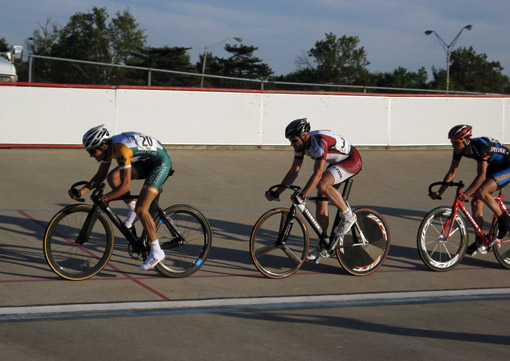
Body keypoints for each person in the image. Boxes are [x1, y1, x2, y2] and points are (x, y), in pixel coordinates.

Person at [70, 125, 172, 270]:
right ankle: (132, 210)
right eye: (89, 151)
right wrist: (82, 191)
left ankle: (157, 251)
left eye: (93, 151)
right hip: (147, 161)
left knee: (142, 208)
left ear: (103, 146)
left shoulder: (121, 150)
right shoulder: (108, 149)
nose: (91, 155)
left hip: (160, 163)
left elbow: (125, 187)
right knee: (113, 177)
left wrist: (106, 198)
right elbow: (101, 176)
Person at [265, 118, 362, 261]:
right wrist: (277, 192)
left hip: (351, 160)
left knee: (322, 184)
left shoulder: (320, 142)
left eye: (294, 140)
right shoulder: (301, 146)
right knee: (320, 202)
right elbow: (294, 171)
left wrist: (303, 195)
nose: (292, 144)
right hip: (337, 163)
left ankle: (348, 216)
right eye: (290, 141)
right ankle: (324, 244)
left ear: (304, 136)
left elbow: (317, 174)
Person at [430, 124, 510, 254]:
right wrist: (440, 191)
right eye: (452, 143)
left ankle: (505, 219)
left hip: (506, 166)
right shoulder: (458, 150)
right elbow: (451, 172)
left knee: (481, 192)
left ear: (466, 141)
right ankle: (480, 240)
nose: (453, 146)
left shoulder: (480, 146)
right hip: (493, 167)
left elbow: (481, 175)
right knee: (476, 202)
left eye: (456, 143)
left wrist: (467, 193)